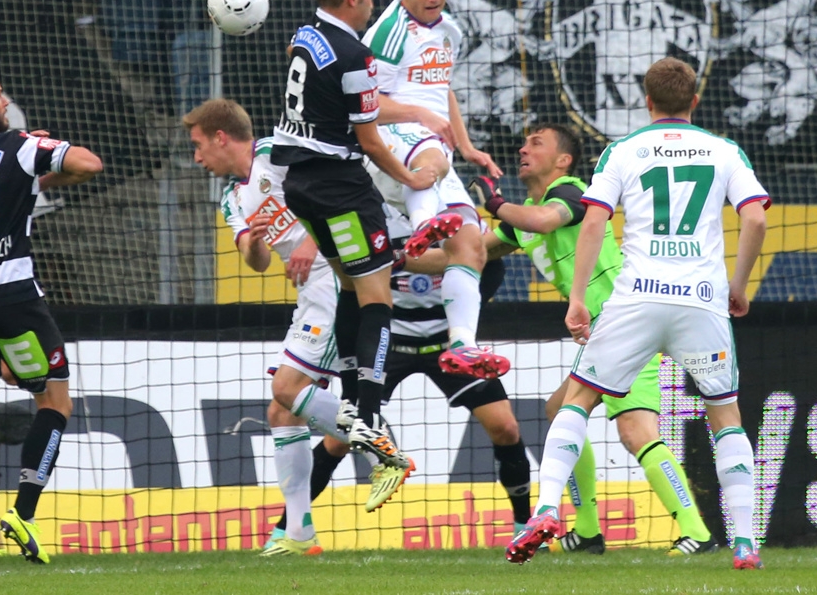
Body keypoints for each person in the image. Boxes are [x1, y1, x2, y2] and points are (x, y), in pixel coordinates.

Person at [505, 57, 769, 570]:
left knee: (575, 401)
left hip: (637, 297)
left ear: (646, 102)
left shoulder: (623, 150)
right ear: (695, 101)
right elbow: (755, 218)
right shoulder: (724, 150)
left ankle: (544, 510)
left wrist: (578, 298)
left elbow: (592, 221)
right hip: (700, 301)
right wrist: (737, 286)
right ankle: (743, 542)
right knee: (726, 418)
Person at [470, 122, 717, 555]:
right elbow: (472, 252)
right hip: (603, 328)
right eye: (524, 142)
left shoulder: (571, 192)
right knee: (561, 409)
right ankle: (587, 531)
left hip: (625, 319)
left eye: (536, 143)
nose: (523, 149)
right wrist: (401, 257)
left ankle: (696, 532)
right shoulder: (522, 217)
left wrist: (493, 202)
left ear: (563, 160)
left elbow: (546, 220)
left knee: (636, 431)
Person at [184, 99, 412, 556]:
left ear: (220, 136)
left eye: (197, 145)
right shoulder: (232, 197)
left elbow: (333, 194)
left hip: (336, 274)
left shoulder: (279, 151)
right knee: (281, 413)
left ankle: (379, 446)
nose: (196, 157)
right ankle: (299, 534)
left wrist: (311, 238)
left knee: (287, 390)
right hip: (310, 292)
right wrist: (252, 239)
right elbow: (259, 260)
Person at [268, 204, 533, 543]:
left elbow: (486, 260)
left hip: (446, 342)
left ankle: (524, 527)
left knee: (506, 427)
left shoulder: (453, 211)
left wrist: (404, 259)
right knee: (342, 438)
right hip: (390, 339)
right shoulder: (372, 214)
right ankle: (287, 529)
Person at [0, 65, 103, 564]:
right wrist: (39, 147)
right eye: (0, 96)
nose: (7, 103)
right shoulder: (18, 145)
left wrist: (36, 169)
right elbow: (89, 164)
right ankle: (23, 515)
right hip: (14, 296)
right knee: (54, 402)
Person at [270, 0, 436, 462]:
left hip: (298, 184)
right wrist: (411, 177)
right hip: (339, 187)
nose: (371, 8)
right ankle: (366, 415)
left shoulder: (306, 35)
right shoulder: (355, 55)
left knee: (347, 284)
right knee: (377, 298)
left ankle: (353, 403)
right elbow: (370, 141)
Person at [361, 0, 509, 380]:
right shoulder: (388, 33)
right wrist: (419, 116)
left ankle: (461, 343)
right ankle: (426, 223)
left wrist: (465, 147)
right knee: (429, 154)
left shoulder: (450, 31)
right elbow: (364, 104)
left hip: (433, 153)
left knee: (471, 244)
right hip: (390, 150)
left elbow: (443, 91)